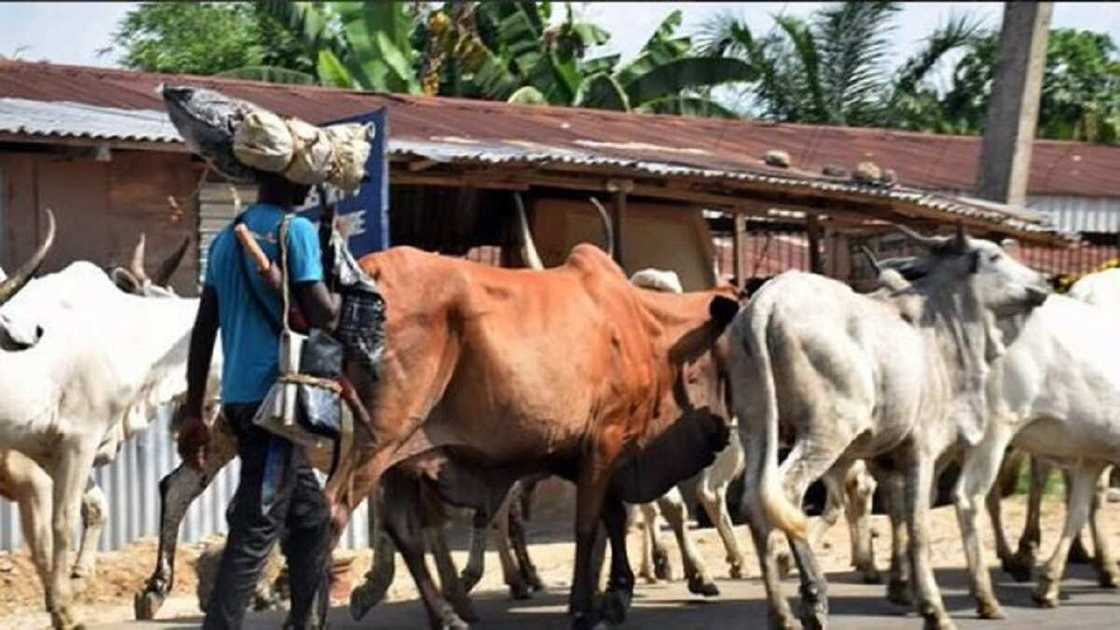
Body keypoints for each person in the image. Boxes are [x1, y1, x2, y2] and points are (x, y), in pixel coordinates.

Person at [178, 172, 341, 630]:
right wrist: (341, 276)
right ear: (287, 179)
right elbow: (323, 313)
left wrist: (195, 410)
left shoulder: (229, 239)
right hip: (278, 406)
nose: (311, 188)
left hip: (240, 402)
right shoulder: (297, 232)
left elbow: (204, 329)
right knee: (256, 527)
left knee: (310, 519)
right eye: (306, 178)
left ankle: (307, 621)